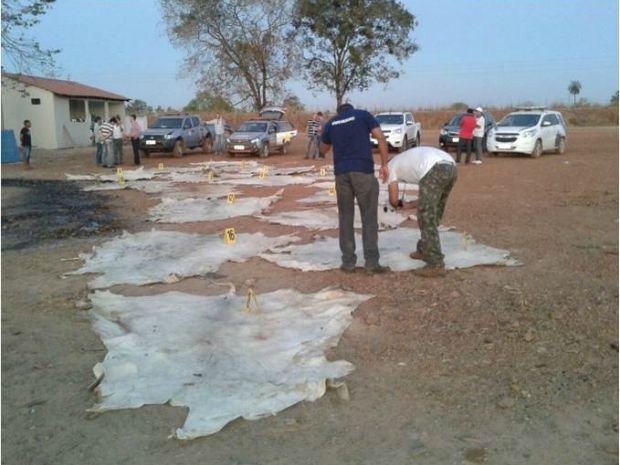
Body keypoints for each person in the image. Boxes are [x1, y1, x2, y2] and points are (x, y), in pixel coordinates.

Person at [319, 103, 390, 275]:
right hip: (363, 171)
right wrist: (384, 164)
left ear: (339, 112)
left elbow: (323, 149)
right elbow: (380, 138)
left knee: (345, 217)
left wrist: (333, 138)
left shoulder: (332, 123)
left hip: (342, 173)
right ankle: (372, 263)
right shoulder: (363, 115)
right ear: (351, 109)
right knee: (369, 217)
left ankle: (348, 263)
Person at [386, 146, 457, 277]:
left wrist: (396, 204)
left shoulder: (390, 166)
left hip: (434, 168)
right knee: (433, 212)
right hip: (450, 166)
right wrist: (408, 205)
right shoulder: (406, 160)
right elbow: (428, 198)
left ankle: (435, 264)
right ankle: (425, 249)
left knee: (426, 218)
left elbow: (393, 199)